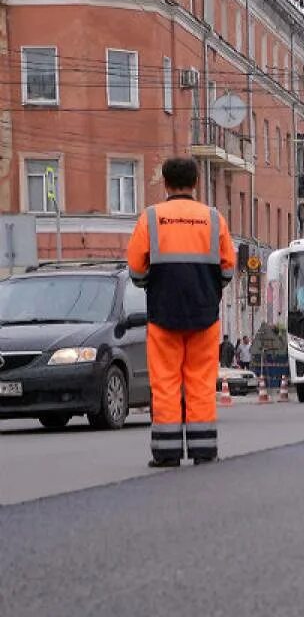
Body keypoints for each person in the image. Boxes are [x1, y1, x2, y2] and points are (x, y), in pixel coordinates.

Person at [126, 157, 235, 467]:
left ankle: (167, 452)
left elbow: (135, 269)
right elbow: (228, 268)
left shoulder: (151, 218)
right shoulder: (212, 218)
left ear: (165, 182)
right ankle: (203, 451)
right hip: (204, 313)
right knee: (200, 381)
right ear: (196, 182)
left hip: (163, 312)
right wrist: (210, 289)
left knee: (165, 381)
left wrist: (153, 283)